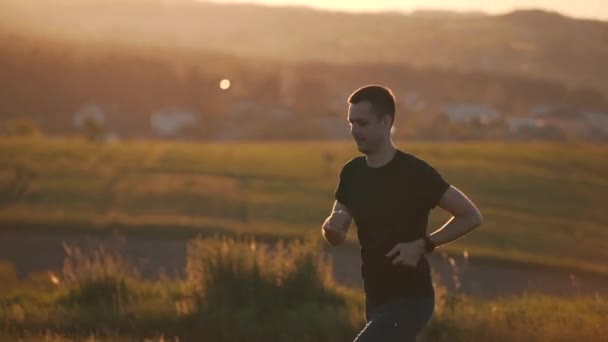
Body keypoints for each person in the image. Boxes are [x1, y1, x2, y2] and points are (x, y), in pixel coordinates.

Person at [321, 85, 483, 342]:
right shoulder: (351, 173)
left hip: (412, 299)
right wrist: (331, 227)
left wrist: (424, 245)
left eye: (362, 123)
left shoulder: (415, 173)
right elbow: (336, 234)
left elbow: (471, 215)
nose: (354, 131)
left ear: (386, 122)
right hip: (375, 298)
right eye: (351, 122)